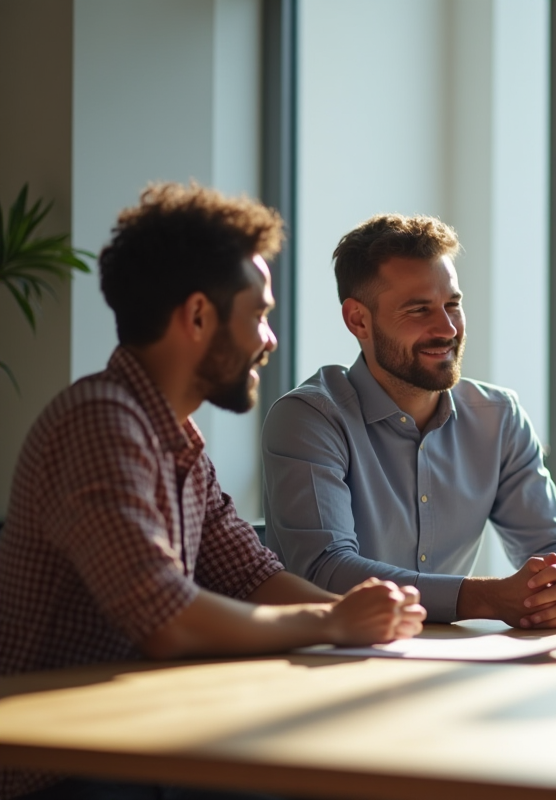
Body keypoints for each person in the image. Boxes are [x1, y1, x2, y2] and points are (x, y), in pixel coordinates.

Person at [0, 183, 426, 800]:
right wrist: (334, 619)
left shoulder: (175, 437)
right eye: (258, 315)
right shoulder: (100, 422)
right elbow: (167, 619)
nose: (269, 339)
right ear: (198, 316)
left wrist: (372, 620)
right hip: (61, 772)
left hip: (139, 745)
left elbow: (251, 574)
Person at [261, 214, 556, 629]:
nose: (447, 329)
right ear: (358, 320)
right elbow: (327, 571)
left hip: (454, 665)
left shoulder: (499, 417)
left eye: (453, 304)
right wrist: (487, 598)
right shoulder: (309, 419)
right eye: (419, 310)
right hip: (335, 663)